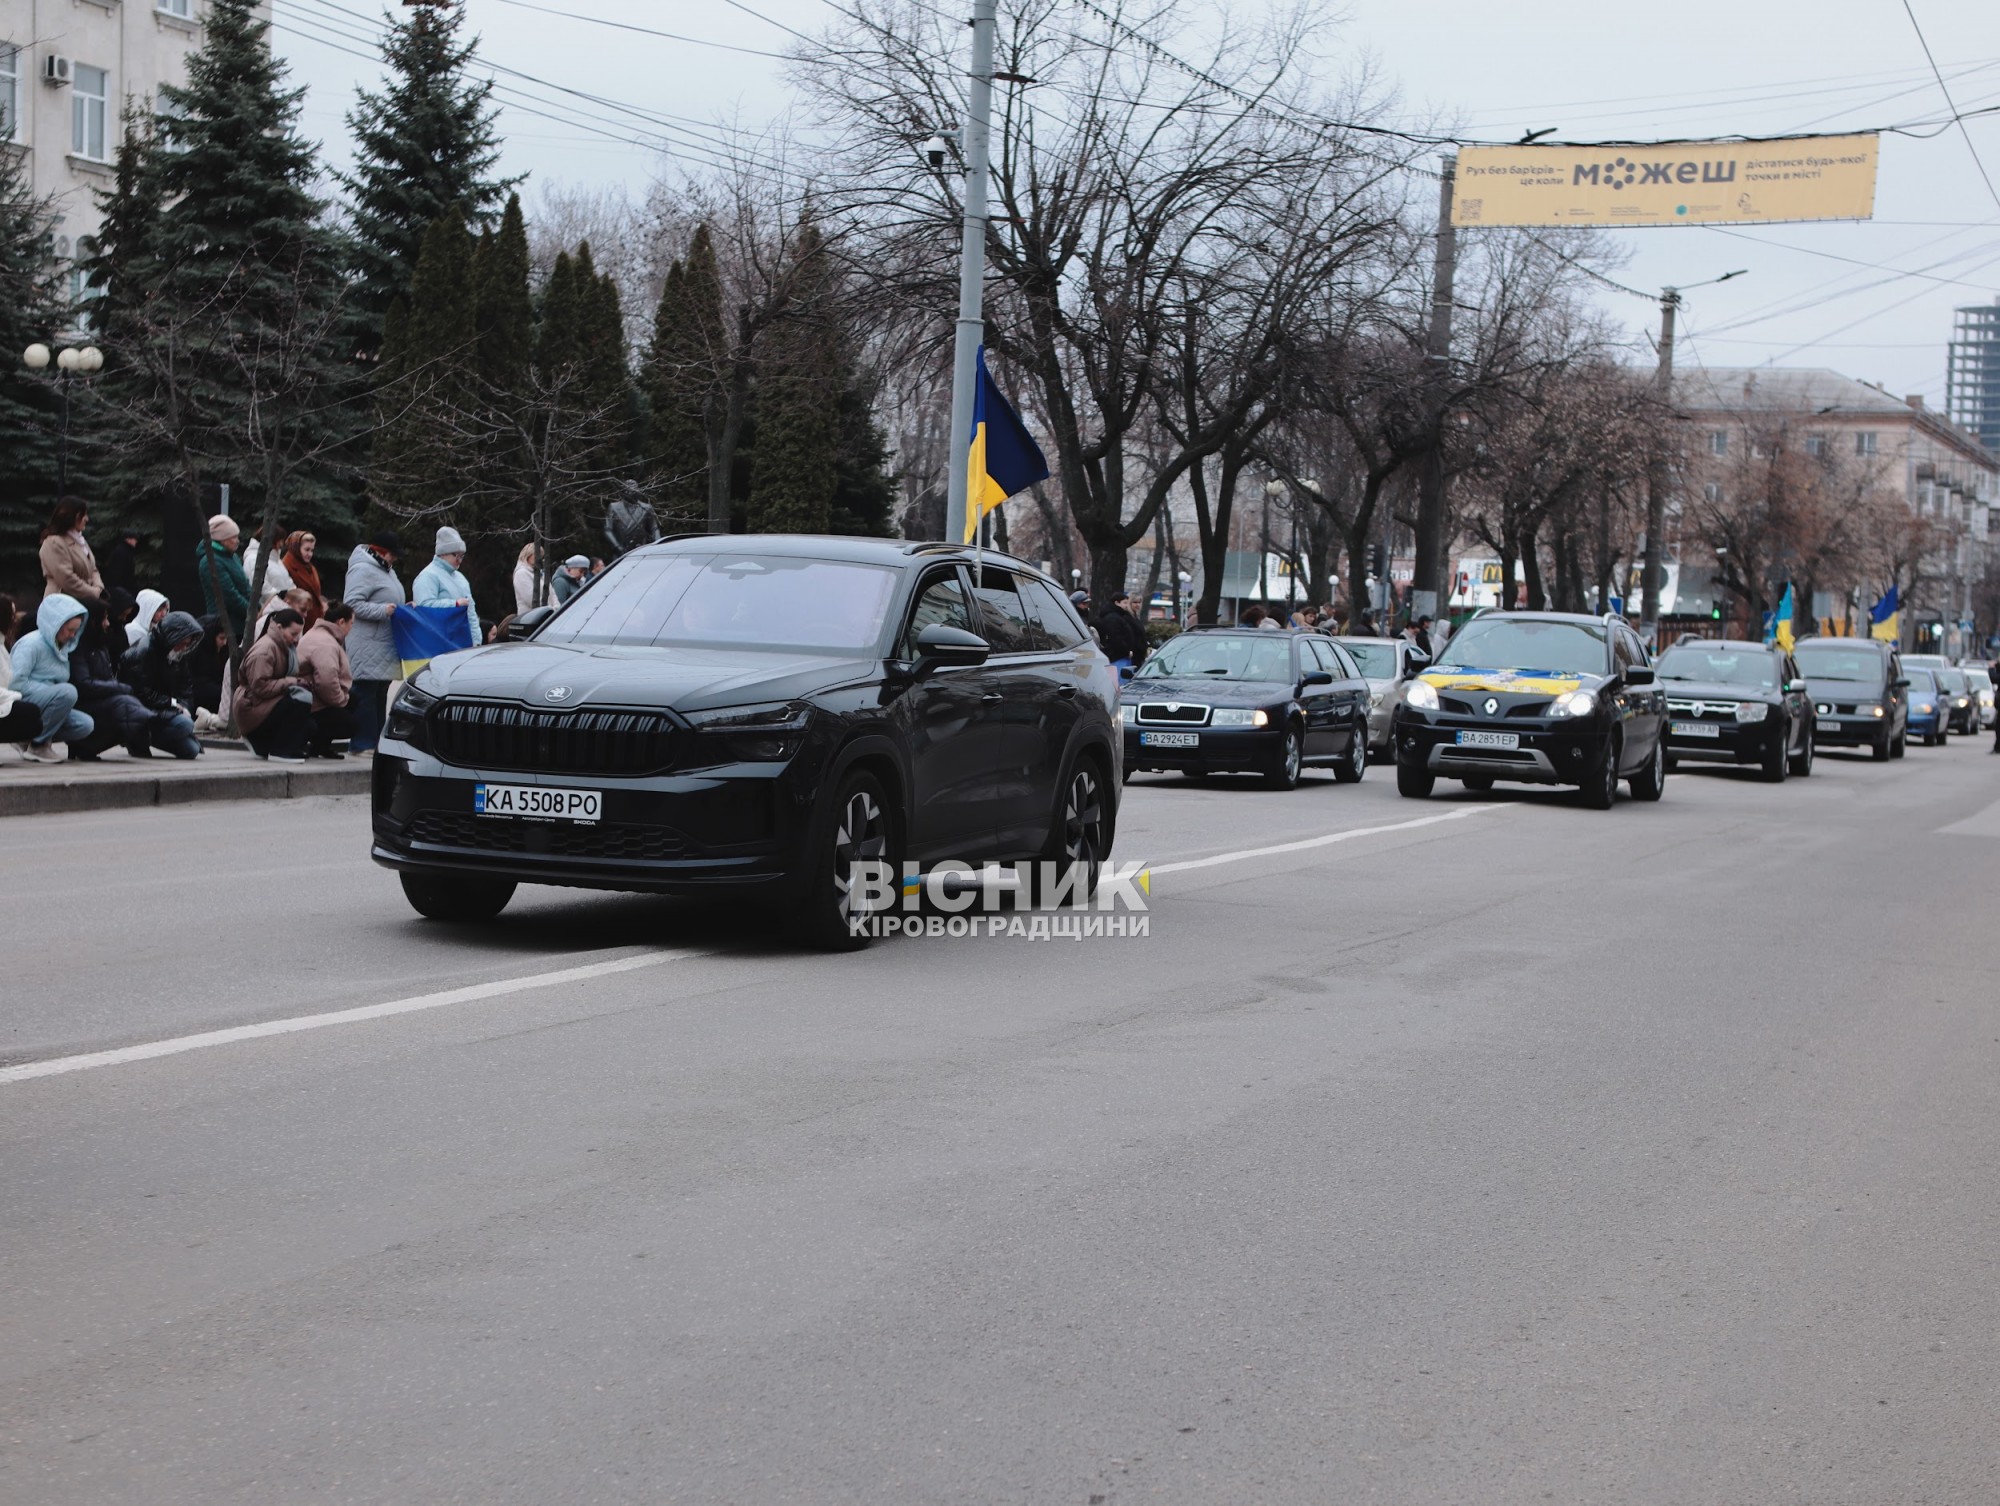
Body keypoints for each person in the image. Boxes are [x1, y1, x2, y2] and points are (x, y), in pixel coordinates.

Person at [66, 600, 163, 760]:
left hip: (103, 698)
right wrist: (118, 688)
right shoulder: (78, 648)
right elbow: (83, 684)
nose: (107, 623)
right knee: (125, 704)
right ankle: (84, 745)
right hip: (87, 702)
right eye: (103, 619)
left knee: (128, 705)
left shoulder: (101, 645)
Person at [7, 594, 94, 763]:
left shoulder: (62, 648)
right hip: (24, 700)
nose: (72, 635)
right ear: (56, 624)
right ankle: (38, 745)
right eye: (70, 630)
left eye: (76, 630)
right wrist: (52, 692)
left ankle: (27, 739)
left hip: (49, 701)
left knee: (85, 725)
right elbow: (15, 682)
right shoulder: (31, 644)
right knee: (68, 692)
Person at [343, 531, 405, 754]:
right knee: (366, 693)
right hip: (368, 642)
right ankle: (362, 743)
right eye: (392, 554)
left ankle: (376, 741)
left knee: (379, 692)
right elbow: (351, 603)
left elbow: (388, 600)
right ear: (379, 552)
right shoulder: (363, 569)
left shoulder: (385, 570)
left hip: (384, 642)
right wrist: (383, 610)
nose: (394, 559)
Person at [119, 609, 206, 759]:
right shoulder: (143, 652)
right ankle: (139, 738)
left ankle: (152, 737)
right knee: (185, 725)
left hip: (164, 708)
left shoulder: (177, 655)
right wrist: (173, 704)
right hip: (144, 710)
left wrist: (184, 706)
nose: (183, 648)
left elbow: (186, 688)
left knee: (191, 750)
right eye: (182, 643)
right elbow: (141, 692)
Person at [234, 607, 313, 763]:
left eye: (299, 634)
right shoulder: (265, 650)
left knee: (311, 724)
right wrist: (290, 682)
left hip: (260, 703)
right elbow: (260, 687)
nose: (297, 639)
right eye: (293, 634)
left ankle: (264, 745)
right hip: (251, 705)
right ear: (279, 628)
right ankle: (281, 751)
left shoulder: (283, 647)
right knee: (300, 701)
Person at [296, 601, 357, 758]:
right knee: (351, 721)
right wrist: (342, 700)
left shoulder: (318, 634)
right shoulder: (326, 643)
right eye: (351, 623)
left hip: (308, 697)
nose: (352, 629)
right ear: (341, 622)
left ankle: (321, 746)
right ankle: (317, 742)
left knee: (354, 699)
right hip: (312, 702)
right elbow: (326, 681)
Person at [413, 525, 480, 645]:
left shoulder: (461, 578)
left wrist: (476, 640)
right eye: (457, 556)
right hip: (440, 644)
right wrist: (455, 604)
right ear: (443, 553)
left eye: (462, 556)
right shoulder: (428, 576)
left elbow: (471, 613)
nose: (460, 560)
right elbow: (423, 607)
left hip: (463, 643)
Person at [39, 498, 105, 608]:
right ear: (72, 517)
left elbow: (93, 569)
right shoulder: (54, 542)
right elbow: (66, 578)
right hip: (62, 604)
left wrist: (98, 587)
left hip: (83, 602)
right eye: (83, 515)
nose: (86, 519)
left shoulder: (79, 540)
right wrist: (92, 592)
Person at [196, 514, 252, 643]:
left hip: (242, 624)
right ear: (222, 539)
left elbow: (245, 584)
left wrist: (255, 606)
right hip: (226, 628)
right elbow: (229, 596)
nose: (238, 541)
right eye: (234, 537)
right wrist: (252, 612)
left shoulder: (232, 556)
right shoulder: (210, 562)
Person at [604, 479, 662, 558]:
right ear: (624, 492)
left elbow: (654, 529)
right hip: (621, 552)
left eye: (634, 491)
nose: (632, 493)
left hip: (641, 550)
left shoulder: (646, 508)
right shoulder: (614, 507)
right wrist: (617, 547)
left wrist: (658, 544)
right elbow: (608, 530)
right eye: (629, 491)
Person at [279, 531, 325, 628]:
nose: (310, 554)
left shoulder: (310, 568)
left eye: (312, 550)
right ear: (296, 548)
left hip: (313, 619)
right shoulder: (286, 566)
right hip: (298, 621)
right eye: (306, 550)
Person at [1096, 591, 1148, 673]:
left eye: (1139, 602)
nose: (1138, 605)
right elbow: (1119, 637)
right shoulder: (1124, 617)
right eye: (1135, 602)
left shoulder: (1133, 617)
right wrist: (1128, 650)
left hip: (1135, 655)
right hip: (1128, 656)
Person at [511, 543, 550, 615]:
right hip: (529, 617)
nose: (538, 558)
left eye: (541, 556)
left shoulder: (539, 573)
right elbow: (531, 599)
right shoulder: (521, 573)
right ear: (528, 554)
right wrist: (549, 608)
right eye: (536, 554)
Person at [103, 530, 141, 598]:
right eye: (134, 539)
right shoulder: (123, 552)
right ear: (128, 540)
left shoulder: (123, 551)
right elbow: (121, 573)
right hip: (122, 590)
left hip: (122, 589)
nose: (136, 541)